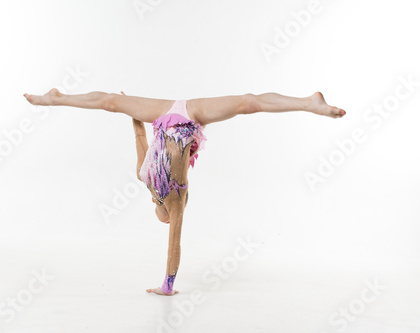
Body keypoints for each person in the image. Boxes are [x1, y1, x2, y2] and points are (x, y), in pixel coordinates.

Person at [23, 89, 346, 296]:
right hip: (186, 116)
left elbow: (139, 137)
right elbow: (173, 246)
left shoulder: (147, 179)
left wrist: (130, 109)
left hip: (165, 115)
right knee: (247, 103)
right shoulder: (174, 199)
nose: (162, 217)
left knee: (111, 101)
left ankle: (55, 97)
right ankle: (308, 103)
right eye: (162, 215)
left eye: (160, 214)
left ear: (157, 205)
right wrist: (167, 284)